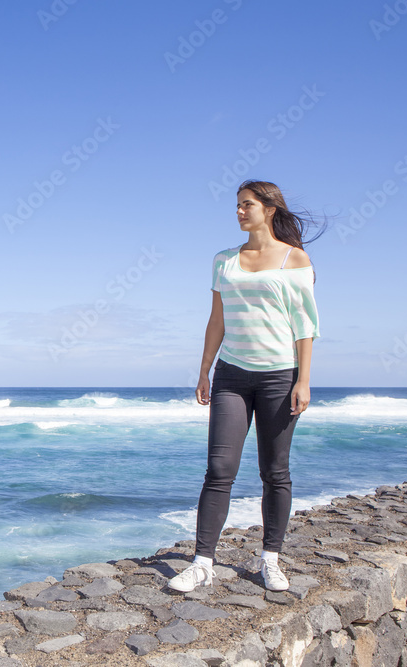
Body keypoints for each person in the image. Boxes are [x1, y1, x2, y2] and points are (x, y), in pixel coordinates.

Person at [168, 180, 322, 593]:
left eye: (247, 205)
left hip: (279, 376)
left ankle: (270, 558)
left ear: (269, 209)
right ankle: (202, 562)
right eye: (237, 205)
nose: (239, 211)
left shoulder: (294, 259)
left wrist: (303, 381)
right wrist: (203, 371)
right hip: (231, 375)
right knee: (219, 470)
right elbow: (216, 320)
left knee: (275, 472)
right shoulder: (224, 260)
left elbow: (305, 327)